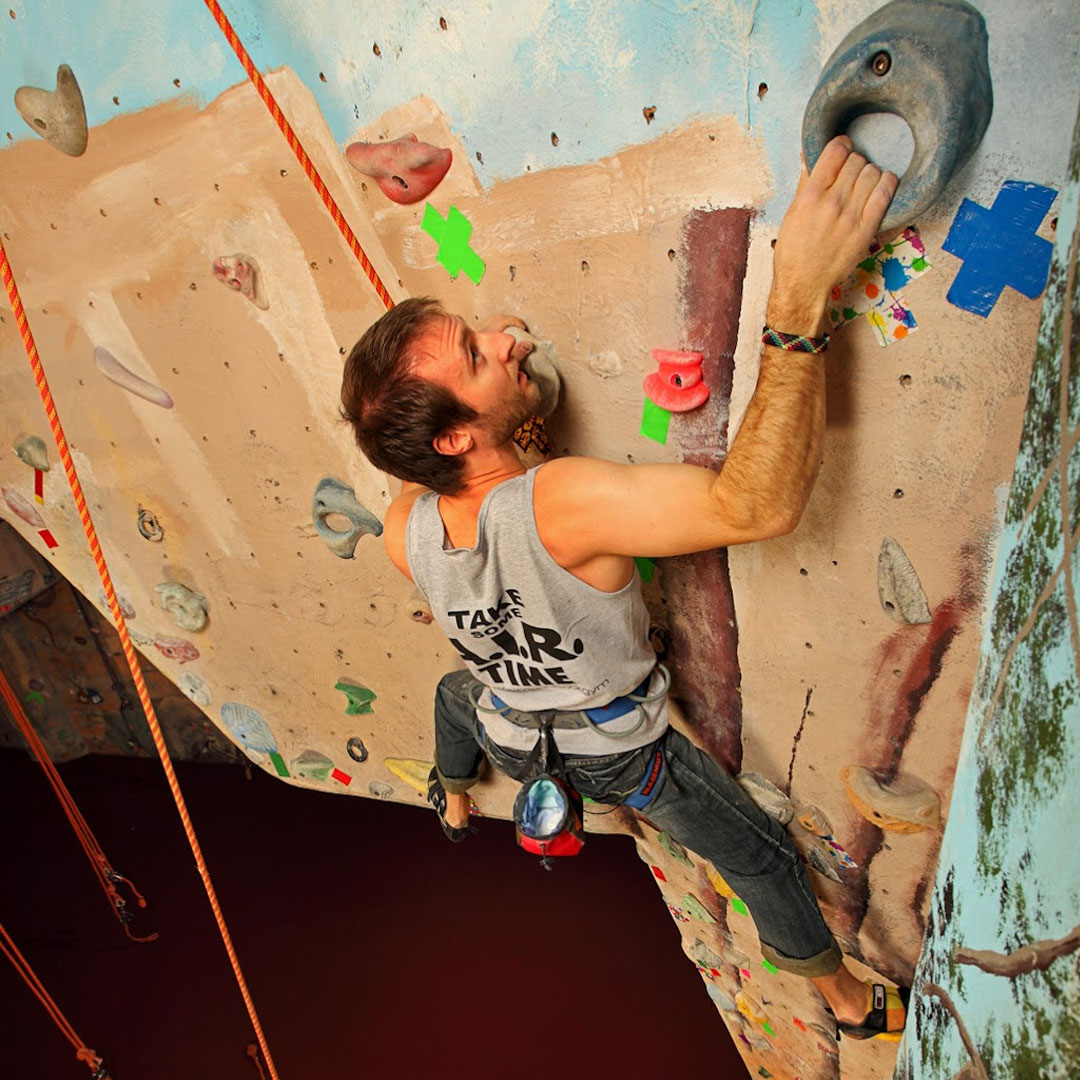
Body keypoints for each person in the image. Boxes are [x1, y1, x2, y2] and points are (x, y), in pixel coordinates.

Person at [340, 135, 907, 1041]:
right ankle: (845, 1001)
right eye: (483, 356)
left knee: (457, 695)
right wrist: (800, 292)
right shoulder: (563, 504)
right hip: (615, 754)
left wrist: (496, 408)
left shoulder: (405, 535)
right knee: (760, 857)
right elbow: (754, 506)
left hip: (510, 725)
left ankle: (452, 793)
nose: (510, 337)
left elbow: (411, 465)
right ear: (451, 441)